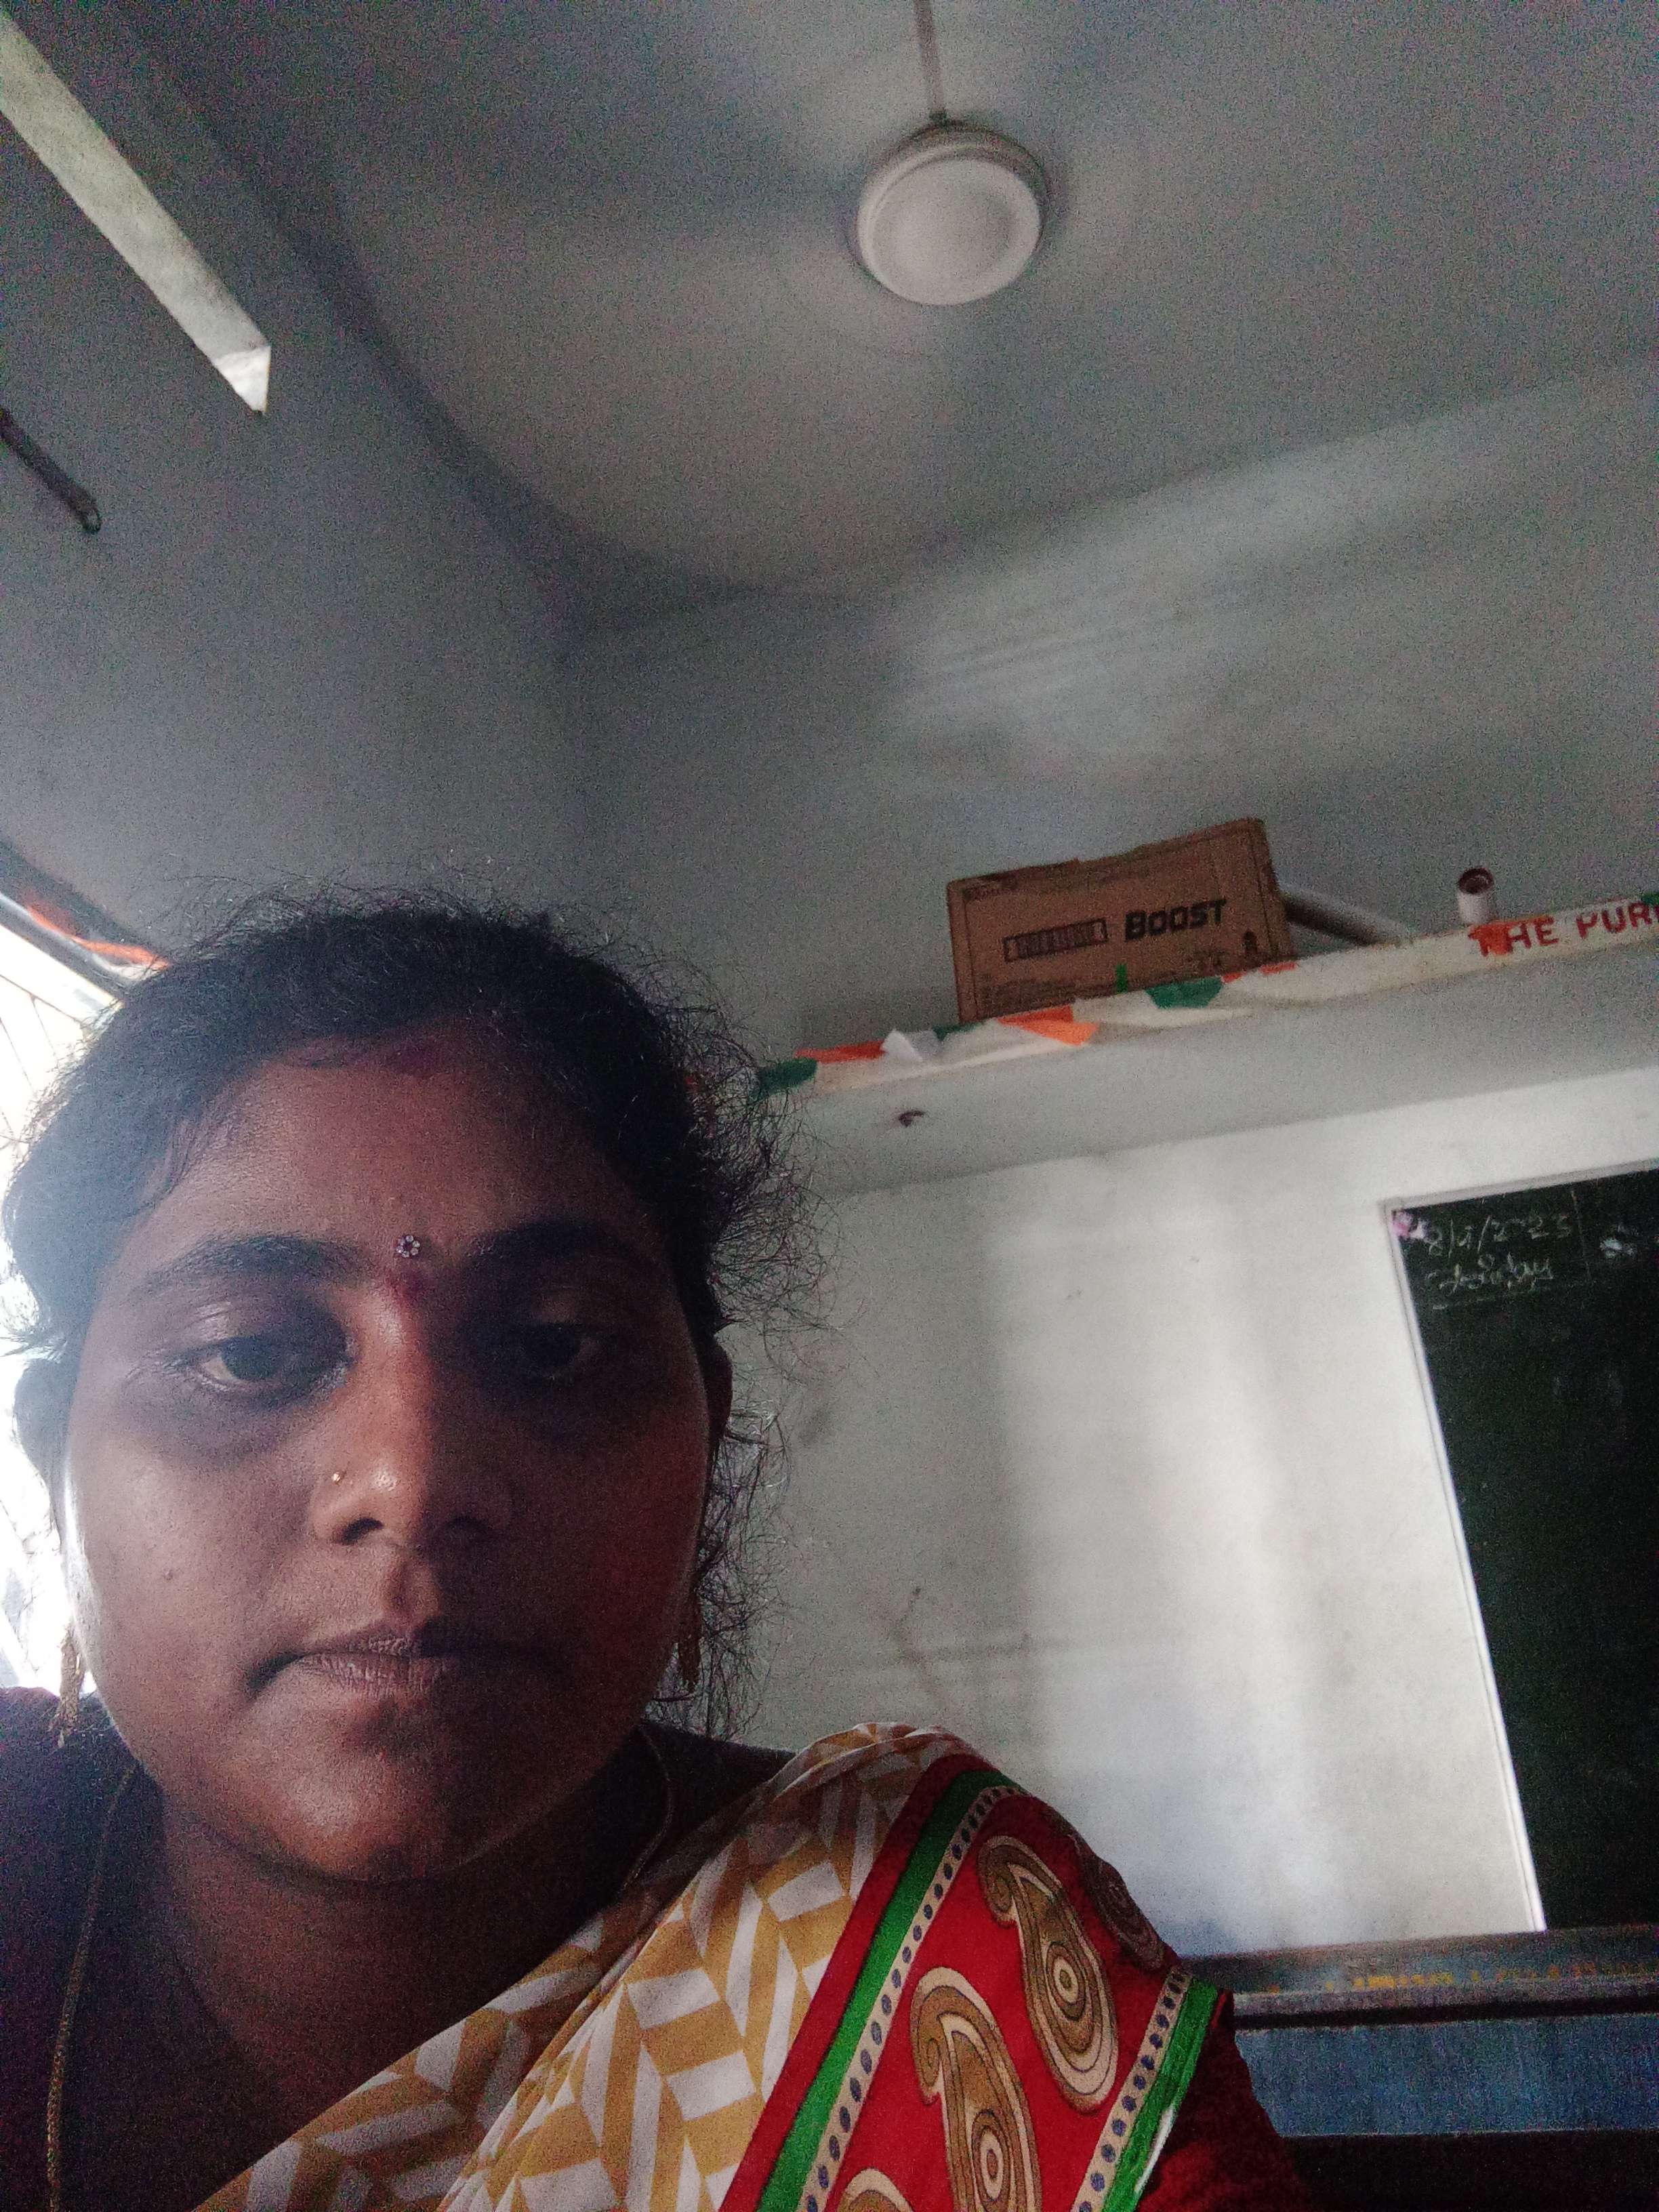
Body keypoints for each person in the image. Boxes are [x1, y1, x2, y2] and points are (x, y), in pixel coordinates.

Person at [0, 897, 1308, 2212]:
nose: (413, 1481)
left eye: (555, 1346)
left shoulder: (944, 1961)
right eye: (247, 1355)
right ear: (55, 1452)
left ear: (711, 1441)